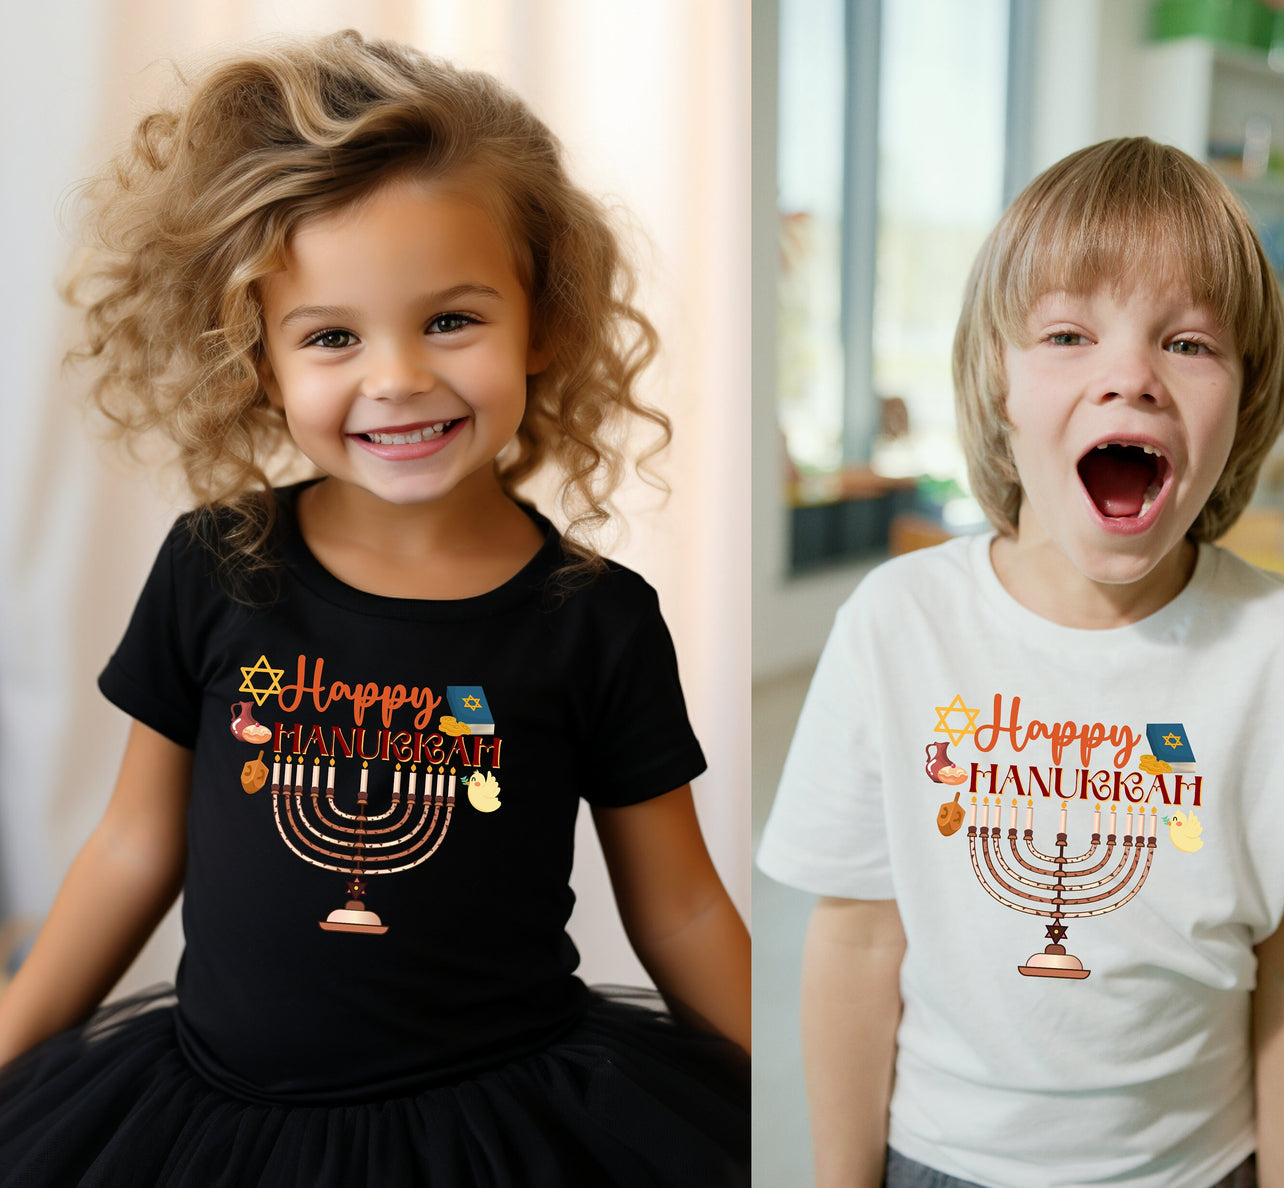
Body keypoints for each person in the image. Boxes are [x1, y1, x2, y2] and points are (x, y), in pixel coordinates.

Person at [0, 30, 748, 1187]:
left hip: (497, 1133)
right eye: (333, 336)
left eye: (450, 319)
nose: (395, 376)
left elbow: (686, 911)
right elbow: (134, 845)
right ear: (257, 360)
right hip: (214, 1127)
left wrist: (811, 1085)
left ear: (540, 319)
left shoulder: (596, 621)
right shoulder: (215, 567)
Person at [757, 137, 1284, 1188]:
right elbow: (857, 945)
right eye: (1065, 334)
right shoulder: (897, 624)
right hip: (940, 1161)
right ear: (997, 385)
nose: (1127, 376)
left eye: (1188, 343)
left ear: (1243, 402)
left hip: (1194, 1165)